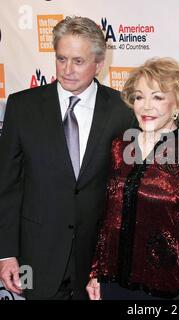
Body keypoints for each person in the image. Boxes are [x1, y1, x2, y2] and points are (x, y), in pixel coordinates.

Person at [0, 16, 136, 300]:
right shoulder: (22, 107)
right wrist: (6, 254)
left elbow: (125, 192)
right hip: (35, 256)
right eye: (61, 59)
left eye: (78, 61)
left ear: (99, 64)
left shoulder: (123, 111)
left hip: (96, 264)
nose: (67, 70)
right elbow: (7, 187)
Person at [86, 57, 179, 300]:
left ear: (177, 104)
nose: (146, 106)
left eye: (157, 97)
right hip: (112, 283)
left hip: (164, 291)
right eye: (139, 97)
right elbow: (105, 217)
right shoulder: (119, 146)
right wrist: (96, 271)